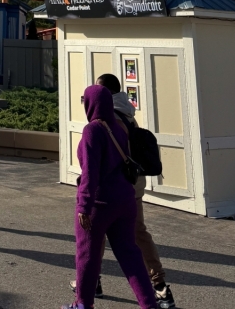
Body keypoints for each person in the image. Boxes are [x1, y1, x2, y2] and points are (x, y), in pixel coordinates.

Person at [63, 84, 157, 309]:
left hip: (99, 203)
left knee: (87, 256)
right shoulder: (118, 128)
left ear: (90, 104)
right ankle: (149, 304)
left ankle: (83, 304)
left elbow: (90, 173)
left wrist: (84, 206)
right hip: (125, 200)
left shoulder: (92, 131)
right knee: (130, 256)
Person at [91, 74, 176, 308]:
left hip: (112, 186)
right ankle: (159, 286)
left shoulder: (108, 119)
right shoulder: (128, 113)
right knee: (138, 233)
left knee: (96, 233)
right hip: (134, 184)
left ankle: (92, 281)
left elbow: (104, 155)